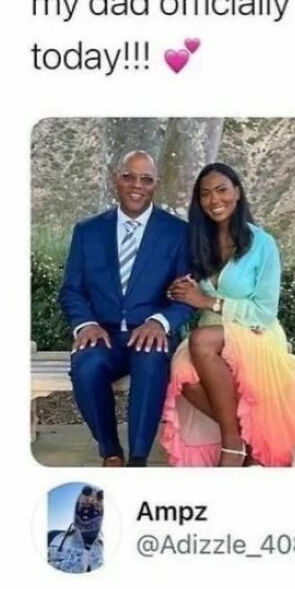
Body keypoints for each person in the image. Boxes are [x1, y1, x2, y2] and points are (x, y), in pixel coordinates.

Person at [160, 162, 295, 467]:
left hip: (254, 331)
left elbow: (265, 310)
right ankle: (245, 444)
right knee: (184, 376)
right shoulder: (197, 241)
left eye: (221, 190)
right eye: (205, 194)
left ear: (238, 193)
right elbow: (191, 291)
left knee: (201, 340)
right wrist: (178, 290)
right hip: (209, 332)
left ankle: (232, 447)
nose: (214, 200)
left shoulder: (262, 244)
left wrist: (210, 302)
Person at [58, 151, 193, 467]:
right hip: (102, 333)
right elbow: (71, 290)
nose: (137, 185)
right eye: (129, 176)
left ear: (155, 185)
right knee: (86, 366)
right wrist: (85, 323)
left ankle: (139, 460)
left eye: (146, 179)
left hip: (150, 333)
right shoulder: (87, 231)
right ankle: (111, 452)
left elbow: (186, 296)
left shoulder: (177, 233)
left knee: (150, 361)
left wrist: (160, 322)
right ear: (115, 179)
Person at [48, 485, 104, 574]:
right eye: (85, 505)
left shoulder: (104, 549)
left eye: (96, 507)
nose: (89, 511)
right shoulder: (51, 537)